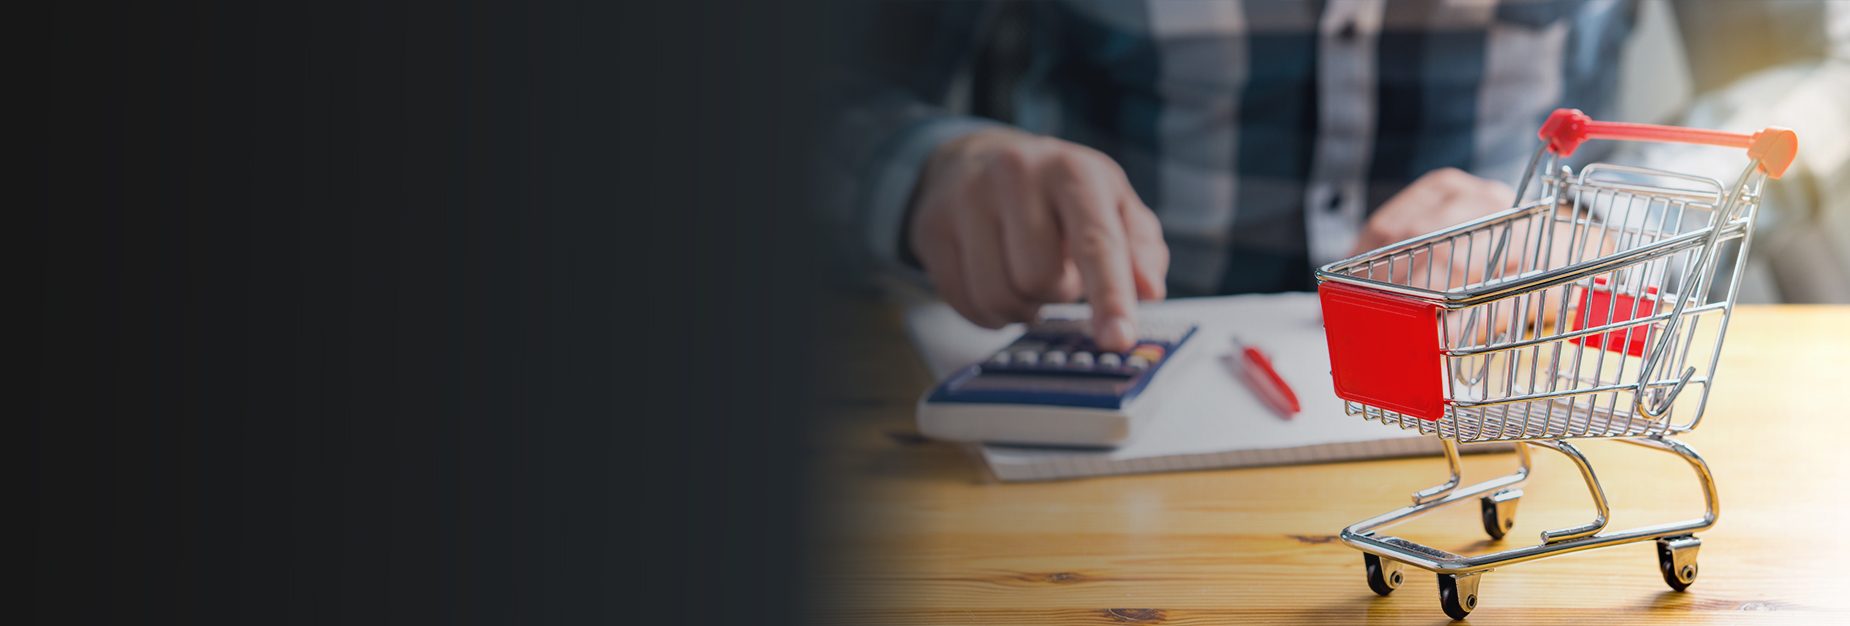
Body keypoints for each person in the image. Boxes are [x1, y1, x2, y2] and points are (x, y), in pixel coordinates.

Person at [825, 1, 1847, 351]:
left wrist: (1603, 225)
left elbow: (1809, 83)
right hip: (1118, 389)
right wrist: (928, 171)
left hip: (1504, 382)